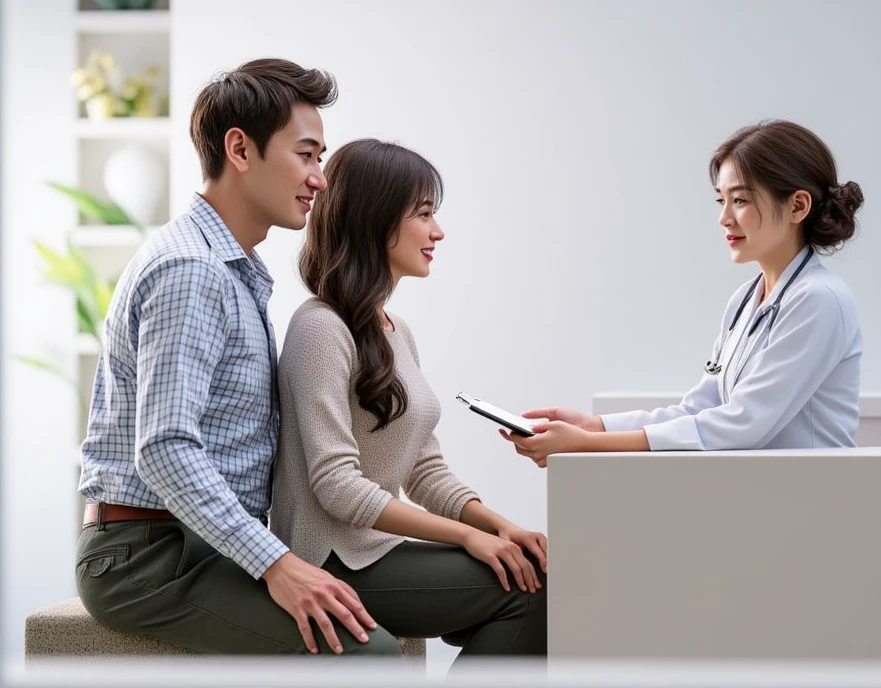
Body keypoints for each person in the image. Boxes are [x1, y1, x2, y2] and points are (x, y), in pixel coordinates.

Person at [75, 58, 398, 657]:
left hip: (199, 541)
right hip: (147, 555)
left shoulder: (234, 267)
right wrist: (277, 563)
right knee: (367, 653)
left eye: (321, 159)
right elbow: (165, 447)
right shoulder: (192, 270)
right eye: (306, 155)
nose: (319, 179)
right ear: (240, 150)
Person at [269, 138, 548, 666]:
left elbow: (425, 470)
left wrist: (498, 525)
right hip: (333, 562)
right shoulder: (320, 329)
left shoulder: (396, 331)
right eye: (423, 214)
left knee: (537, 572)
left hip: (375, 553)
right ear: (376, 220)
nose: (437, 231)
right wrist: (468, 538)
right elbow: (336, 486)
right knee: (535, 592)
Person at [503, 119, 864, 466]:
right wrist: (593, 425)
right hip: (760, 490)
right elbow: (702, 407)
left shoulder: (819, 299)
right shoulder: (745, 300)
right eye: (720, 200)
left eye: (740, 200)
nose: (724, 218)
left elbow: (744, 424)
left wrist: (589, 444)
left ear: (798, 206)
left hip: (813, 497)